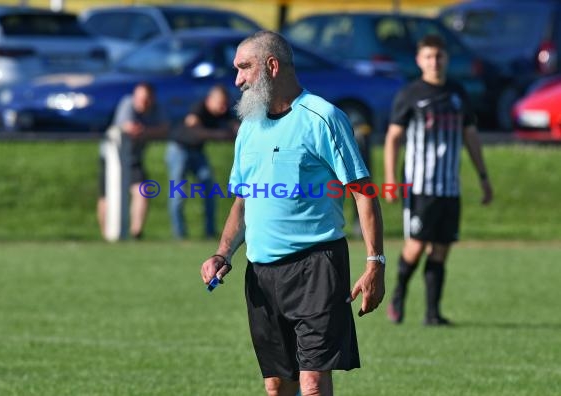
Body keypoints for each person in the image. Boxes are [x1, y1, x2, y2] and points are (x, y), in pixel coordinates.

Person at [200, 31, 385, 396]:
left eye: (244, 68)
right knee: (276, 385)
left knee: (313, 383)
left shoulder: (324, 117)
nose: (236, 80)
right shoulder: (248, 127)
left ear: (272, 66)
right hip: (262, 273)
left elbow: (364, 193)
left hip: (317, 267)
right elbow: (243, 202)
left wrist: (375, 262)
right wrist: (223, 252)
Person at [384, 34, 493, 326]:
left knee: (442, 248)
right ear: (420, 61)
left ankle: (432, 313)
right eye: (429, 56)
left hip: (449, 187)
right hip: (420, 187)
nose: (435, 62)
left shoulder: (458, 94)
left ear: (447, 59)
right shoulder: (410, 94)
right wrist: (391, 179)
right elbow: (394, 137)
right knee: (416, 245)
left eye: (439, 56)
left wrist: (483, 177)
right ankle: (398, 294)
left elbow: (470, 135)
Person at [97, 82, 169, 239]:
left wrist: (145, 131)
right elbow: (130, 128)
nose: (143, 103)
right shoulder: (127, 104)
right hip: (112, 158)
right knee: (106, 197)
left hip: (134, 158)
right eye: (140, 98)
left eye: (147, 99)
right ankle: (106, 235)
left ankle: (136, 233)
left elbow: (165, 129)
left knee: (143, 191)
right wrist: (149, 132)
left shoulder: (157, 108)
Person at [166, 84, 239, 239]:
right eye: (220, 103)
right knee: (178, 192)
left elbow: (236, 128)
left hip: (197, 151)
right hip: (179, 150)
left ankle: (210, 232)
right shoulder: (198, 108)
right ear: (209, 100)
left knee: (209, 187)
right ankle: (179, 235)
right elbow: (194, 128)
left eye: (225, 103)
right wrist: (218, 135)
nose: (223, 107)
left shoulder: (223, 112)